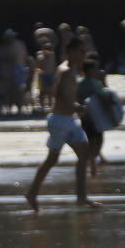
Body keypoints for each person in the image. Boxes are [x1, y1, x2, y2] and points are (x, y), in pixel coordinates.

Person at [24, 36, 102, 210]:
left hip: (70, 121)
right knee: (52, 159)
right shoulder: (65, 70)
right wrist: (76, 106)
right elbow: (57, 93)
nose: (84, 54)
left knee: (84, 154)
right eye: (81, 51)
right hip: (59, 120)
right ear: (72, 52)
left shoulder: (74, 70)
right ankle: (32, 193)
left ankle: (82, 197)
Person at [77, 56, 109, 176]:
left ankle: (92, 165)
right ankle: (93, 162)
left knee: (90, 140)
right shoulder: (96, 83)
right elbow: (104, 97)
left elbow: (75, 98)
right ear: (90, 70)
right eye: (95, 69)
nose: (97, 71)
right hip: (96, 117)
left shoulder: (78, 82)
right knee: (99, 140)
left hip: (83, 116)